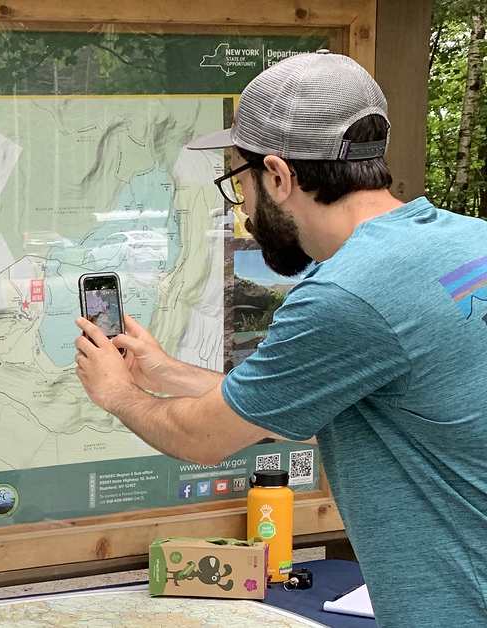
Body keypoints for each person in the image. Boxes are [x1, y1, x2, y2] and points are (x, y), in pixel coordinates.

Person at [74, 51, 487, 626]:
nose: (241, 208)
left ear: (278, 175)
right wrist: (163, 373)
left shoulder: (348, 295)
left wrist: (117, 393)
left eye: (236, 183)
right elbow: (286, 399)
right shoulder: (468, 243)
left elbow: (201, 438)